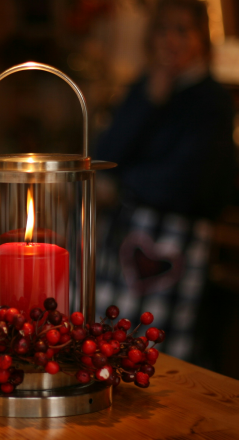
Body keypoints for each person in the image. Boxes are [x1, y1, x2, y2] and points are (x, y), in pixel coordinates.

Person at [95, 0, 235, 361]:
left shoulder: (212, 101)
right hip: (124, 238)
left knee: (161, 351)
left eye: (182, 30)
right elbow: (103, 157)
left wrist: (122, 185)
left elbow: (188, 180)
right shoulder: (144, 88)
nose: (170, 40)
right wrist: (148, 100)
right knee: (110, 340)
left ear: (201, 39)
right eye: (162, 29)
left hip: (177, 243)